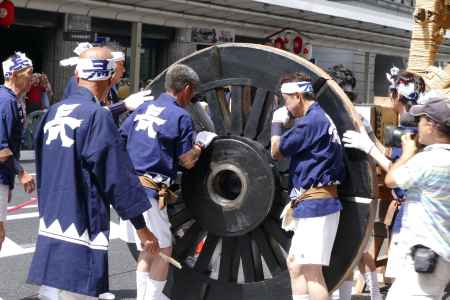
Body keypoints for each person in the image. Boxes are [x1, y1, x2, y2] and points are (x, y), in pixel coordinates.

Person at [27, 47, 160, 299]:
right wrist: (142, 229)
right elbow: (117, 178)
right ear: (110, 79)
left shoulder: (52, 112)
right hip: (80, 230)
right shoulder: (98, 116)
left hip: (50, 226)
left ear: (77, 77)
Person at [119, 64, 217, 300]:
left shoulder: (142, 108)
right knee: (163, 249)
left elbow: (119, 138)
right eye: (191, 93)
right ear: (185, 89)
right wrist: (201, 143)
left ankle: (144, 297)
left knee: (147, 247)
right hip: (151, 191)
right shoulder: (180, 116)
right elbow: (187, 161)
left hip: (129, 187)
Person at [270, 73, 346, 300]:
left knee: (312, 272)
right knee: (296, 265)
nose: (286, 106)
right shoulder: (321, 118)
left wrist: (276, 124)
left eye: (286, 100)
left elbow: (276, 151)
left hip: (317, 204)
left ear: (298, 95)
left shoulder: (311, 122)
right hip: (313, 202)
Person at [384, 94, 450, 299]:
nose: (417, 127)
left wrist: (406, 154)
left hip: (428, 255)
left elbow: (391, 180)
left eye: (419, 121)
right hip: (440, 255)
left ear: (431, 125)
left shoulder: (429, 160)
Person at [328, 64, 382, 300]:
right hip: (331, 191)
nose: (346, 99)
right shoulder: (321, 116)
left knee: (353, 249)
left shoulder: (360, 120)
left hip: (355, 192)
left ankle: (374, 293)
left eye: (348, 95)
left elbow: (375, 150)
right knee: (339, 252)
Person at [0, 52, 36, 251]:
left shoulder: (11, 99)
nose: (32, 78)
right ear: (14, 74)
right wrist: (22, 173)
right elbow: (1, 148)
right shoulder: (6, 101)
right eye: (29, 73)